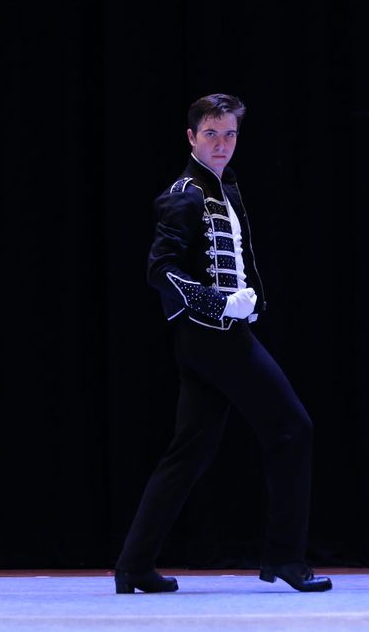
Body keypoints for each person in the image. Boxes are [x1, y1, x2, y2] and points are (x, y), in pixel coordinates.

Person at [113, 94, 331, 594]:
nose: (222, 144)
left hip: (210, 340)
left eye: (230, 134)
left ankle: (133, 565)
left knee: (187, 454)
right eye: (211, 134)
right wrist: (218, 305)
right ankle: (286, 558)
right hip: (214, 340)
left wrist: (249, 304)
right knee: (293, 428)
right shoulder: (185, 194)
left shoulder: (223, 188)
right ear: (192, 137)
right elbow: (159, 269)